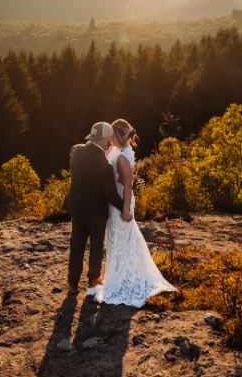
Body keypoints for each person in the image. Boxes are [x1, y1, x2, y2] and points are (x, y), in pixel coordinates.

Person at [87, 119, 176, 307]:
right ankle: (120, 273)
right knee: (117, 239)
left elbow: (128, 184)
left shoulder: (122, 157)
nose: (110, 138)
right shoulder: (116, 151)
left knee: (121, 239)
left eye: (112, 135)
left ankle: (125, 279)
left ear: (120, 135)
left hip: (122, 202)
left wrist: (126, 210)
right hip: (115, 202)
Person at [63, 122, 132, 296]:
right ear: (105, 139)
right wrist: (125, 208)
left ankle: (73, 283)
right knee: (95, 246)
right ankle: (93, 279)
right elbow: (110, 195)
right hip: (96, 213)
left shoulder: (76, 150)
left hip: (76, 207)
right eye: (109, 139)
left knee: (76, 244)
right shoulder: (104, 165)